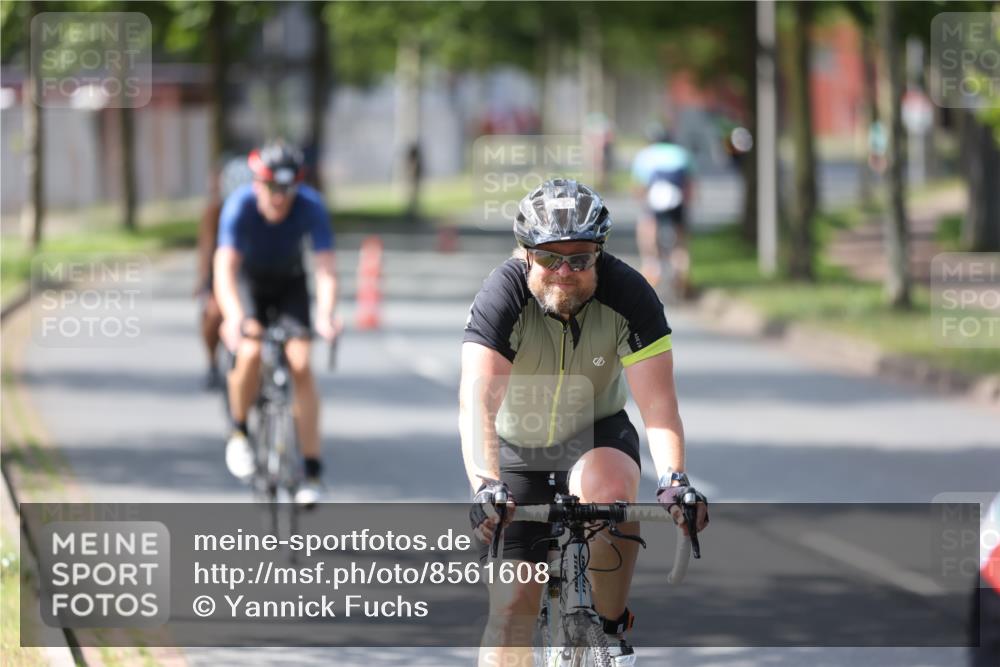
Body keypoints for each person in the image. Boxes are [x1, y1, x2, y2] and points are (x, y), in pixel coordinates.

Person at [461, 178, 709, 667]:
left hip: (595, 430)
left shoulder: (630, 294)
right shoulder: (501, 297)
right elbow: (478, 404)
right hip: (515, 446)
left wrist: (675, 479)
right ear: (526, 254)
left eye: (580, 259)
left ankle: (612, 630)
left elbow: (658, 405)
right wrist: (486, 485)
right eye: (551, 258)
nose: (565, 272)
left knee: (610, 491)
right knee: (512, 610)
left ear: (600, 253)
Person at [213, 141, 338, 506]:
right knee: (249, 352)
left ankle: (312, 471)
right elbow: (225, 270)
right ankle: (238, 433)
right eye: (271, 188)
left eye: (287, 189)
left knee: (301, 364)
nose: (279, 198)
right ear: (257, 184)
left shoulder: (311, 206)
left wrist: (326, 313)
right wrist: (234, 316)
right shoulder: (239, 207)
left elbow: (325, 268)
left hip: (290, 285)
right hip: (250, 285)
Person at [631, 127, 695, 299]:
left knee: (646, 229)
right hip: (677, 200)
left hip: (655, 200)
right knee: (680, 241)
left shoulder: (645, 155)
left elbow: (640, 187)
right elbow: (689, 184)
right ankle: (682, 274)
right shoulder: (681, 153)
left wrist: (641, 202)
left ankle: (651, 266)